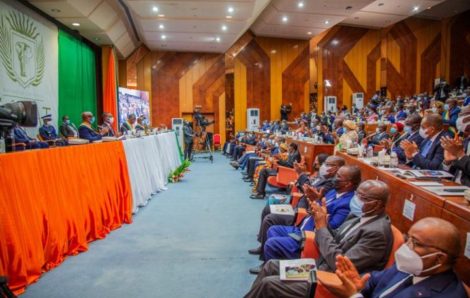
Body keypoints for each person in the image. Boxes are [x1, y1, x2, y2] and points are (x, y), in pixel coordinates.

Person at [244, 180, 393, 298]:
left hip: (330, 279)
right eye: (357, 194)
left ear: (377, 203)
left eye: (362, 197)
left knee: (270, 284)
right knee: (270, 265)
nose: (356, 199)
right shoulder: (358, 215)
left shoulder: (377, 233)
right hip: (318, 267)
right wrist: (320, 219)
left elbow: (340, 264)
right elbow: (336, 238)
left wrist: (321, 226)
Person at [319, 218, 466, 298]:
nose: (406, 246)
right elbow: (372, 282)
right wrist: (358, 285)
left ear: (439, 259)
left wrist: (353, 296)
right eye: (407, 238)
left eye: (416, 243)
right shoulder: (406, 267)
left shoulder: (449, 294)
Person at [255, 166, 360, 270]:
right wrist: (313, 200)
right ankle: (274, 266)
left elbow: (329, 227)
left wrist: (318, 209)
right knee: (273, 230)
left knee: (272, 243)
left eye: (338, 176)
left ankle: (275, 269)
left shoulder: (346, 204)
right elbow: (315, 207)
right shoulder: (333, 192)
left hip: (309, 237)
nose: (335, 178)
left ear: (348, 183)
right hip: (302, 226)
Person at [441, 105, 470, 186]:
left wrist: (460, 155)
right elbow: (452, 173)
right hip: (454, 185)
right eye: (460, 115)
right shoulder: (465, 141)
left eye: (466, 115)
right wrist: (447, 163)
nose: (461, 118)